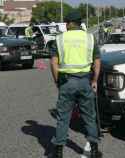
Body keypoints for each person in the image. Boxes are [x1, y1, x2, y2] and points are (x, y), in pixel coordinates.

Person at [50, 11, 102, 158]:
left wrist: (57, 82)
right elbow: (97, 62)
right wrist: (94, 81)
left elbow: (54, 63)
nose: (65, 25)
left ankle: (58, 152)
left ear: (70, 23)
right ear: (80, 23)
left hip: (67, 82)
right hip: (85, 81)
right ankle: (94, 150)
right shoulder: (90, 38)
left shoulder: (59, 39)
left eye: (66, 23)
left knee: (63, 118)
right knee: (89, 117)